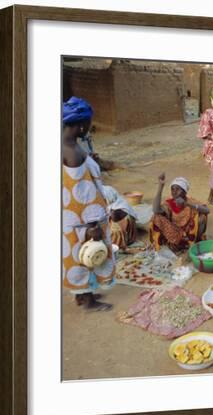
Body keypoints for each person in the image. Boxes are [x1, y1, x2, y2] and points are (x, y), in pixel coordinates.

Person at [62, 96, 114, 312]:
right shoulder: (73, 153)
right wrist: (93, 225)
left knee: (78, 256)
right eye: (89, 124)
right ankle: (89, 303)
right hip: (85, 220)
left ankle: (82, 296)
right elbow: (83, 194)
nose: (89, 128)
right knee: (89, 255)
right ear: (81, 124)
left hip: (72, 219)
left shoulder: (67, 145)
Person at [149, 173, 209, 252]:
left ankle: (192, 243)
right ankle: (174, 243)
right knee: (156, 217)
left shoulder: (190, 201)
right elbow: (156, 210)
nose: (174, 192)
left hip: (188, 235)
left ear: (185, 192)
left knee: (201, 217)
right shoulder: (170, 202)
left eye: (178, 189)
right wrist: (160, 186)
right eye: (172, 189)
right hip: (174, 233)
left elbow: (207, 210)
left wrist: (187, 204)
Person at [102, 186, 138, 252]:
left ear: (108, 198)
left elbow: (113, 219)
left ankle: (120, 243)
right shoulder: (118, 201)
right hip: (127, 229)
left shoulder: (115, 211)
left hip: (123, 235)